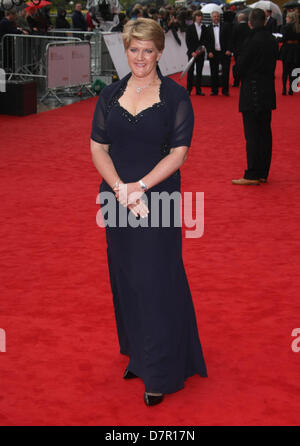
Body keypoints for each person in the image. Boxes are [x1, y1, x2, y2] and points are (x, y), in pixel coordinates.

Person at [90, 18, 207, 407]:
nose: (140, 57)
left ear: (159, 51)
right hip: (117, 201)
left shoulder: (175, 98)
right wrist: (120, 190)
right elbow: (98, 148)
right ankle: (139, 357)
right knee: (126, 280)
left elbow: (179, 154)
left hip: (157, 202)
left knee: (155, 281)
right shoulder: (109, 95)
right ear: (126, 50)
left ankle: (161, 369)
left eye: (148, 50)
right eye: (133, 49)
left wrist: (139, 187)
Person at [232, 8, 278, 185]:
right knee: (265, 133)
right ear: (265, 21)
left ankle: (252, 174)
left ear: (250, 22)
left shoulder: (251, 41)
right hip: (267, 90)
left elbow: (239, 69)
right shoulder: (272, 40)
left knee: (252, 135)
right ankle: (263, 173)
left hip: (252, 91)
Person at [207, 10, 232, 96]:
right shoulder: (208, 27)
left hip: (224, 52)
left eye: (217, 16)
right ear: (211, 18)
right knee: (214, 72)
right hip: (213, 53)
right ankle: (214, 90)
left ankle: (225, 91)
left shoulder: (226, 26)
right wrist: (209, 51)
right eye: (214, 16)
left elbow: (230, 39)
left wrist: (229, 49)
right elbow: (208, 41)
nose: (216, 18)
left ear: (219, 17)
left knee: (225, 72)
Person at [185, 10, 208, 96]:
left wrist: (203, 48)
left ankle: (198, 90)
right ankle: (189, 89)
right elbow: (188, 41)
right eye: (198, 16)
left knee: (199, 71)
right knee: (190, 71)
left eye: (200, 16)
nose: (199, 18)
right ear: (195, 18)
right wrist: (192, 52)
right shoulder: (190, 28)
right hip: (192, 53)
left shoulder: (204, 28)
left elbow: (206, 40)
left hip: (200, 53)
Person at [280, 11, 300, 95]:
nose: (285, 18)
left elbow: (283, 39)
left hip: (287, 49)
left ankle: (284, 88)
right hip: (296, 49)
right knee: (294, 70)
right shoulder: (298, 27)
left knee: (285, 70)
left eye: (287, 17)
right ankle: (292, 88)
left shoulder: (285, 27)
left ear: (290, 18)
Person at [231, 13, 251, 87]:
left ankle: (236, 82)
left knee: (238, 66)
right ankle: (245, 81)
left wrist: (233, 50)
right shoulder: (249, 28)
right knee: (246, 66)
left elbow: (233, 39)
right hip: (247, 50)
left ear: (239, 19)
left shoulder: (236, 27)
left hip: (238, 50)